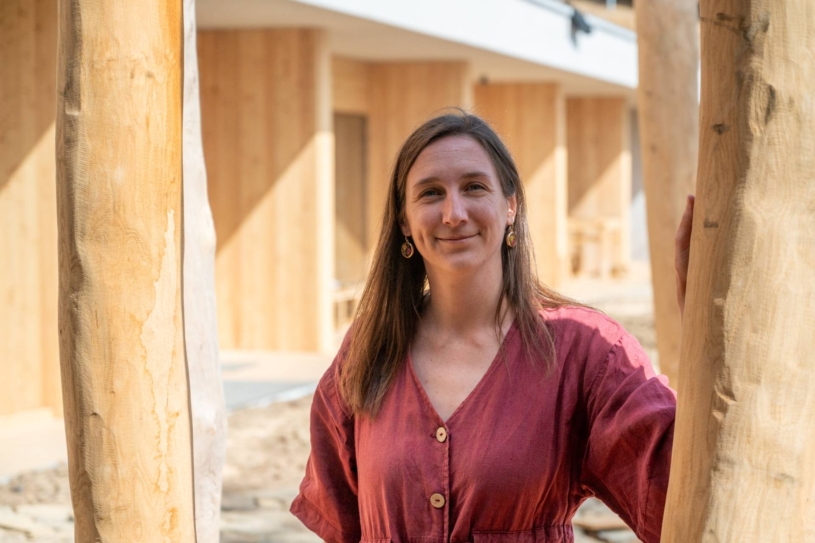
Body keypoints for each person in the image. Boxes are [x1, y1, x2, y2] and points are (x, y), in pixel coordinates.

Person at [290, 111, 695, 543]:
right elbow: (341, 524)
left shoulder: (587, 351)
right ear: (405, 220)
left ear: (510, 206)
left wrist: (706, 330)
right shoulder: (368, 350)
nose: (453, 213)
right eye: (430, 193)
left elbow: (676, 497)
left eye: (474, 187)